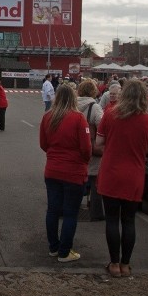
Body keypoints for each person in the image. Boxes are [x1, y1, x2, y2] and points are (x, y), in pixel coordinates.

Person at [95, 79, 148, 278]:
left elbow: (98, 142)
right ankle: (125, 264)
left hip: (111, 172)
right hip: (134, 174)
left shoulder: (110, 115)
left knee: (112, 220)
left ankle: (113, 264)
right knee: (129, 220)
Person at [39, 84, 92, 262]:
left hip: (52, 170)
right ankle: (65, 251)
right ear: (73, 98)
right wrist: (83, 161)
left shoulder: (48, 117)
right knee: (70, 213)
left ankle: (53, 247)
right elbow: (86, 148)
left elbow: (43, 144)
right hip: (74, 172)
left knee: (53, 210)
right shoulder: (78, 118)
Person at [76, 79, 105, 221]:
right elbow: (103, 126)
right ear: (94, 91)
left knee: (77, 178)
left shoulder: (72, 104)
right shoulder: (95, 107)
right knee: (94, 179)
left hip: (75, 147)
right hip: (91, 147)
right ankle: (96, 211)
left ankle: (74, 206)